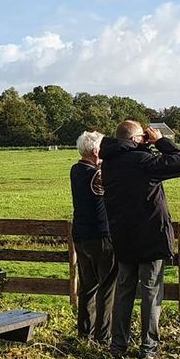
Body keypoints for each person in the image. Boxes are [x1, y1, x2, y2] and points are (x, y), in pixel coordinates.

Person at [100, 120, 180, 359]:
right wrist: (160, 141)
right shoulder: (142, 162)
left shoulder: (109, 162)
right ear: (135, 140)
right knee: (151, 292)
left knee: (124, 291)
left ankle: (118, 346)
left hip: (122, 235)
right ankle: (148, 347)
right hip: (150, 236)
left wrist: (145, 144)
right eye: (143, 136)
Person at [70, 131, 116, 344]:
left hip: (80, 235)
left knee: (88, 287)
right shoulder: (98, 175)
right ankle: (103, 337)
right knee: (107, 287)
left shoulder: (76, 170)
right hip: (101, 235)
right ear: (97, 151)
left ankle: (84, 333)